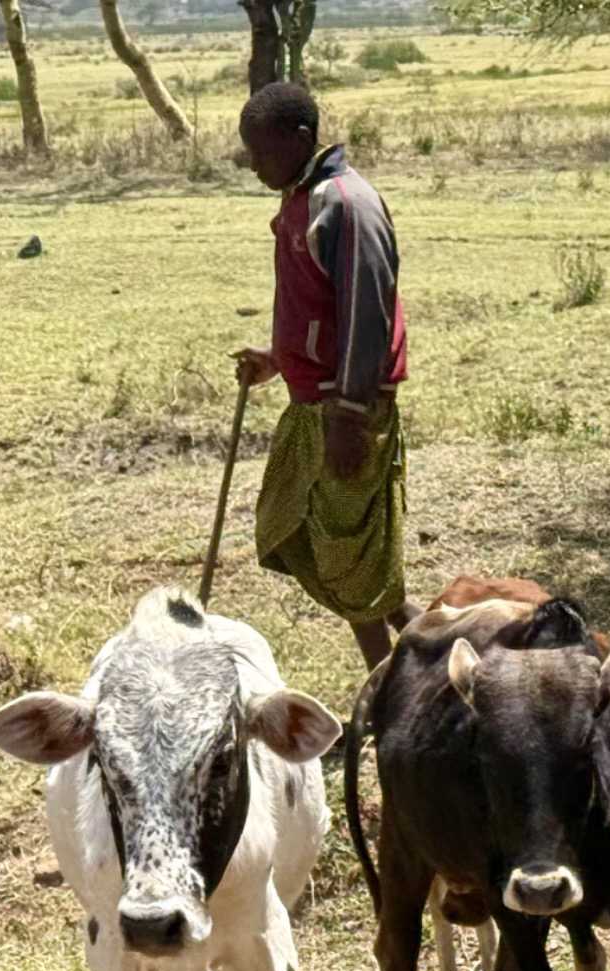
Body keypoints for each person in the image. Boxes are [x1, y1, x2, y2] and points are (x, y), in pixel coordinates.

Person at [233, 81, 417, 668]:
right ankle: (422, 646)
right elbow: (318, 306)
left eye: (262, 152)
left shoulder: (345, 204)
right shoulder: (300, 199)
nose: (253, 165)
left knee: (347, 554)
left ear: (300, 138)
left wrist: (350, 416)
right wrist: (279, 358)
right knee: (304, 533)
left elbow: (366, 313)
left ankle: (390, 681)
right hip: (313, 405)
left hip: (346, 410)